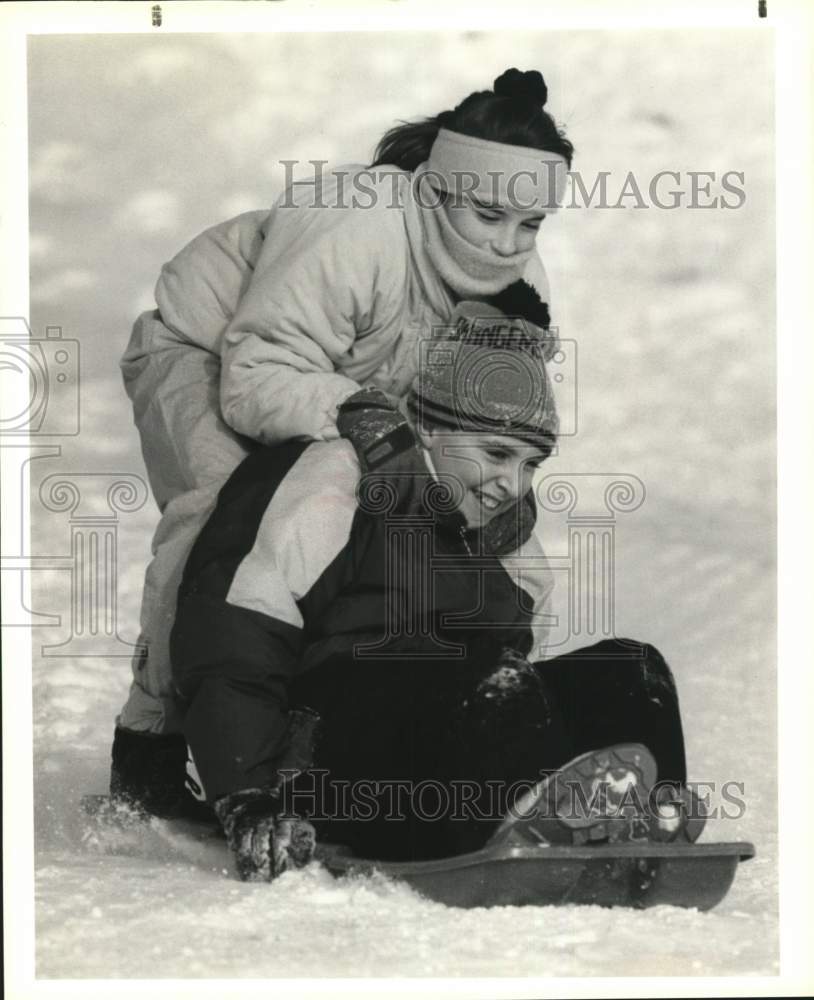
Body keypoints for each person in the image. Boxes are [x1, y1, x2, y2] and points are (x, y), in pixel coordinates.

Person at [110, 67, 575, 816]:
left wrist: (498, 506)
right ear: (435, 190)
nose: (507, 244)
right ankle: (152, 744)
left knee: (381, 525)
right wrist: (367, 419)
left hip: (355, 388)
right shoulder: (354, 225)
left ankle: (326, 727)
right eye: (489, 215)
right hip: (209, 350)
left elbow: (497, 429)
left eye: (530, 225)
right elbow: (255, 373)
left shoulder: (519, 286)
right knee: (225, 522)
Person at [169, 305, 692, 881]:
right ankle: (502, 831)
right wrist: (247, 795)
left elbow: (522, 694)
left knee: (631, 670)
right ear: (431, 429)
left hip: (449, 747)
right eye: (495, 453)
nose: (510, 485)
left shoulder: (510, 548)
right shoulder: (335, 485)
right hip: (330, 768)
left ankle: (645, 822)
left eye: (530, 464)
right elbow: (231, 638)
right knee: (481, 673)